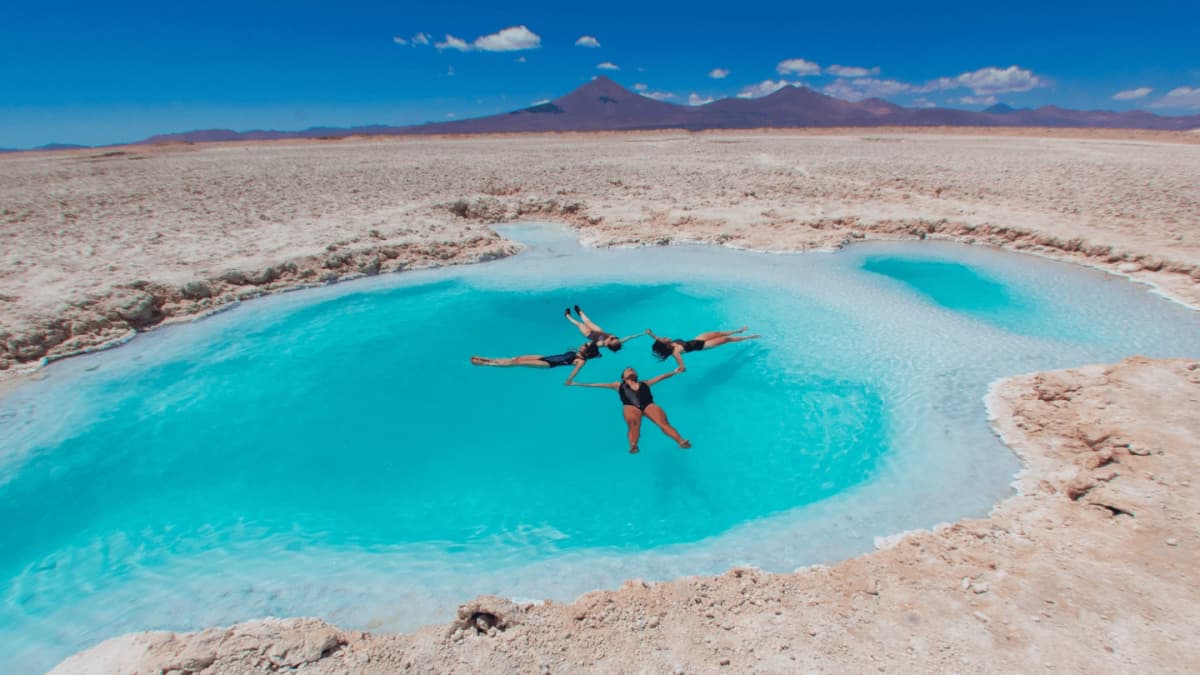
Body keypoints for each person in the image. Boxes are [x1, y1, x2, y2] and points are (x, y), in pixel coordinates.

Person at [569, 366, 691, 454]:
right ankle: (633, 445)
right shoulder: (617, 385)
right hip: (630, 406)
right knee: (633, 423)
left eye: (633, 369)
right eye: (628, 369)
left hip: (648, 404)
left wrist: (675, 372)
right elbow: (597, 385)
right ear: (623, 377)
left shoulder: (645, 383)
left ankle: (680, 441)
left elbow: (661, 377)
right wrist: (576, 383)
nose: (631, 369)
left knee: (663, 423)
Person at [471, 340, 601, 383]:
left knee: (517, 363)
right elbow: (597, 348)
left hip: (548, 364)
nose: (583, 344)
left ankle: (485, 364)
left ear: (587, 351)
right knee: (516, 358)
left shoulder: (581, 360)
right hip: (545, 356)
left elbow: (576, 371)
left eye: (585, 344)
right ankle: (488, 359)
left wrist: (569, 380)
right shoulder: (578, 352)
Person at [647, 326, 760, 370]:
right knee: (727, 339)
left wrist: (651, 334)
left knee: (718, 332)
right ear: (665, 345)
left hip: (697, 339)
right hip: (705, 346)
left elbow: (659, 340)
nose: (664, 337)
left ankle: (738, 330)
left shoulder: (669, 342)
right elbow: (681, 365)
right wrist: (680, 369)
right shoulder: (675, 352)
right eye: (663, 339)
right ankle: (748, 337)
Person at [564, 305, 642, 352]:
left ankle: (568, 316)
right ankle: (580, 312)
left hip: (588, 334)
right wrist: (642, 333)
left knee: (579, 324)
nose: (612, 337)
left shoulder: (601, 344)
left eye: (612, 339)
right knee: (588, 322)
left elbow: (589, 346)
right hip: (599, 331)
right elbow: (630, 337)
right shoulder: (618, 341)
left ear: (608, 344)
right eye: (616, 338)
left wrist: (579, 349)